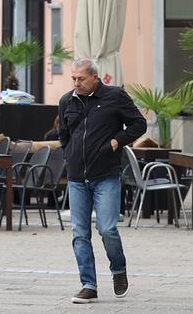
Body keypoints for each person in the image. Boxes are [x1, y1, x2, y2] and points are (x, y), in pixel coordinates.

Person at [56, 57, 146, 304]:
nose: (76, 83)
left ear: (95, 78)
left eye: (81, 79)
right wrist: (71, 155)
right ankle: (88, 285)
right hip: (76, 178)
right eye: (73, 78)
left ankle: (118, 269)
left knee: (107, 229)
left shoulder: (115, 96)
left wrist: (117, 141)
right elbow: (64, 135)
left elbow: (139, 124)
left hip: (106, 175)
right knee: (79, 234)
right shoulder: (66, 101)